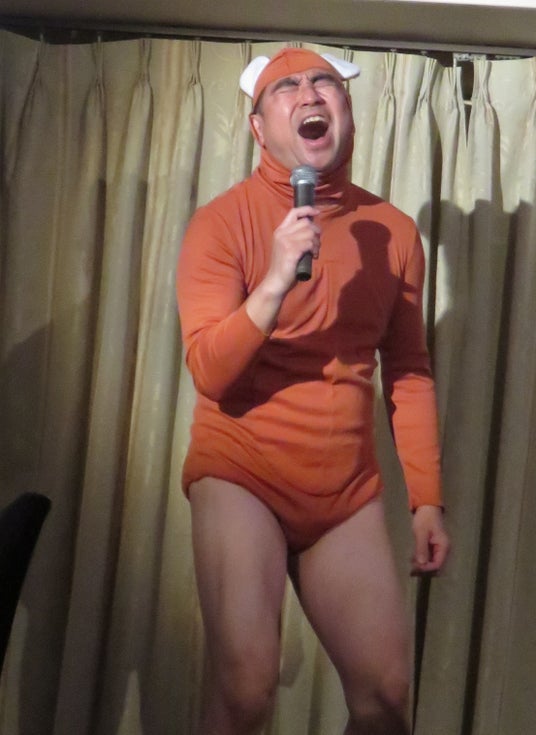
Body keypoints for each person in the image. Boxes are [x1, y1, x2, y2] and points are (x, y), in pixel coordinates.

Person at [177, 47, 450, 735]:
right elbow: (209, 370)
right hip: (242, 471)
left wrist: (426, 500)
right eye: (286, 87)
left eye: (324, 82)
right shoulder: (221, 222)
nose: (309, 93)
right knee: (246, 687)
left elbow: (408, 368)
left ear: (347, 111)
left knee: (386, 697)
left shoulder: (395, 233)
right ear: (258, 128)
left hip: (343, 492)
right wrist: (274, 281)